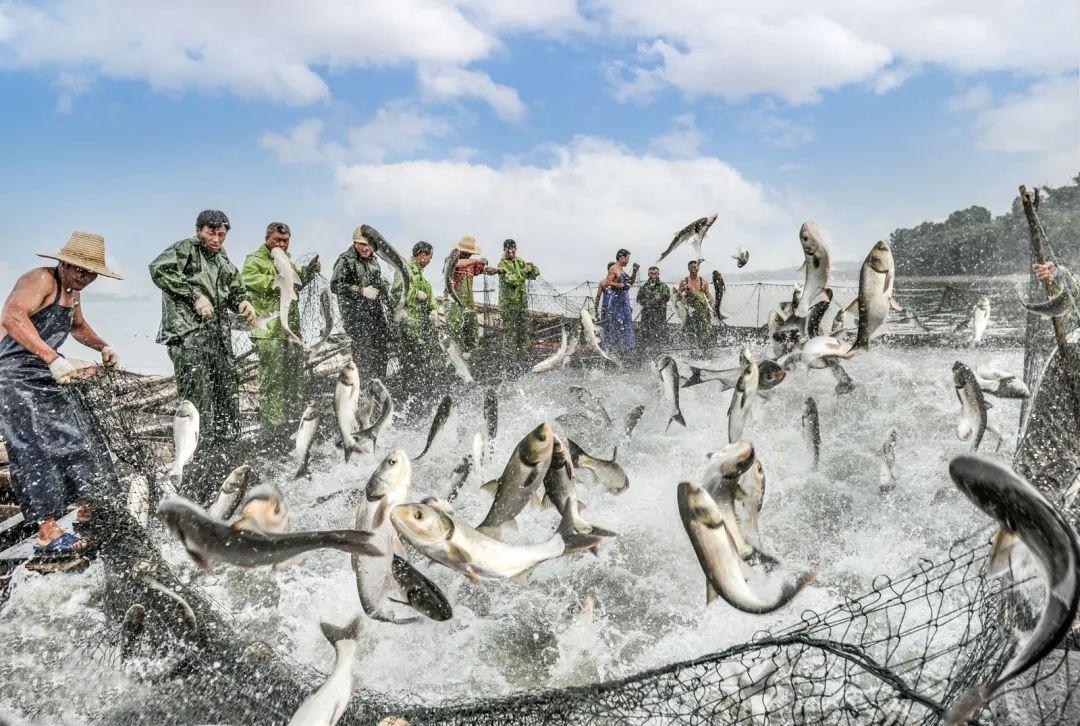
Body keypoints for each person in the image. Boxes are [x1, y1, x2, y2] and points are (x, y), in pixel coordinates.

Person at [0, 231, 122, 555]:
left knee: (79, 434)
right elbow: (12, 317)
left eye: (91, 273)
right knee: (32, 446)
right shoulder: (41, 279)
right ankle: (47, 531)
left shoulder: (73, 292)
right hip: (14, 373)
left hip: (47, 372)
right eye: (79, 269)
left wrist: (103, 346)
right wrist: (52, 357)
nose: (84, 277)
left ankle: (88, 511)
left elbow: (77, 326)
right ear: (64, 263)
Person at [149, 211, 256, 469]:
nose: (216, 239)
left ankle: (227, 458)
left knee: (227, 397)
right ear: (199, 231)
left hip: (218, 340)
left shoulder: (222, 259)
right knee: (199, 403)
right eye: (211, 233)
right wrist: (194, 296)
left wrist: (243, 302)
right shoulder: (185, 250)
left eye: (221, 234)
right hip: (188, 339)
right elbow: (158, 269)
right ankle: (199, 463)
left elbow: (234, 289)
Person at [239, 222, 321, 429]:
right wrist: (276, 280)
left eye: (285, 240)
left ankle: (292, 425)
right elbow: (248, 279)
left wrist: (309, 272)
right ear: (267, 238)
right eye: (277, 240)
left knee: (294, 379)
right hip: (268, 332)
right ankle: (272, 430)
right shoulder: (254, 259)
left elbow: (296, 283)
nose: (281, 244)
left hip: (290, 331)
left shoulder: (287, 260)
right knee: (273, 382)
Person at [331, 226, 392, 381]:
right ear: (355, 243)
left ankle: (379, 384)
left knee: (382, 348)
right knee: (364, 353)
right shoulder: (345, 260)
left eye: (369, 245)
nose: (366, 248)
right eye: (362, 244)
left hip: (374, 312)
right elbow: (335, 285)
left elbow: (378, 284)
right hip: (355, 315)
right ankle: (364, 387)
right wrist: (361, 291)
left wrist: (390, 304)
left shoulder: (374, 261)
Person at [392, 241, 439, 400]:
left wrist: (433, 308)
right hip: (407, 327)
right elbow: (398, 291)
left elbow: (429, 292)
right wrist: (415, 293)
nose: (430, 261)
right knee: (410, 368)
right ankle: (411, 401)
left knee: (421, 367)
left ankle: (420, 398)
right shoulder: (404, 270)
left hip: (418, 328)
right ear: (422, 255)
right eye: (430, 257)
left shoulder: (420, 275)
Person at [445, 236, 500, 355]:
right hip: (453, 302)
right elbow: (457, 264)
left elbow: (484, 270)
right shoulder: (451, 259)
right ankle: (452, 356)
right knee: (454, 330)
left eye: (469, 254)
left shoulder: (471, 265)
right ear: (460, 251)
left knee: (472, 332)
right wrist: (476, 260)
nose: (468, 255)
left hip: (468, 304)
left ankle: (469, 357)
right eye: (466, 253)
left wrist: (496, 270)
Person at [497, 239, 541, 361]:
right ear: (504, 250)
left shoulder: (520, 261)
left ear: (516, 249)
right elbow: (512, 280)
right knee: (511, 332)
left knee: (523, 331)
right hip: (508, 305)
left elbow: (535, 274)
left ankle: (523, 356)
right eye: (507, 250)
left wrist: (532, 267)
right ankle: (511, 358)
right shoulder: (502, 265)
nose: (510, 252)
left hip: (522, 304)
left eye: (512, 249)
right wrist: (524, 271)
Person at [599, 249, 637, 353]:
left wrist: (634, 271)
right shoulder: (613, 268)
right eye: (627, 259)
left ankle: (626, 348)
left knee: (626, 325)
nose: (628, 261)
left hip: (624, 302)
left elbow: (630, 282)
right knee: (617, 326)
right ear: (621, 258)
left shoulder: (622, 270)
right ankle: (616, 349)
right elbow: (607, 282)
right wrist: (619, 285)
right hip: (616, 302)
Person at [679, 259, 714, 351]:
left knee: (705, 332)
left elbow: (709, 296)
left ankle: (705, 350)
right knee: (690, 332)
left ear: (698, 268)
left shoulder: (703, 281)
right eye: (691, 267)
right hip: (690, 312)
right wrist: (682, 289)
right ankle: (692, 351)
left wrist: (712, 305)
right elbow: (678, 295)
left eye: (694, 267)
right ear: (688, 269)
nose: (693, 269)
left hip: (703, 312)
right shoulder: (684, 281)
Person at [637, 265, 671, 353]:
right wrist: (649, 302)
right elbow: (639, 299)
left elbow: (667, 297)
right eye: (651, 273)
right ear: (648, 274)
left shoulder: (663, 286)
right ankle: (646, 354)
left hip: (659, 316)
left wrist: (660, 297)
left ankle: (658, 353)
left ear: (658, 274)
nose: (653, 275)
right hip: (646, 317)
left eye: (655, 273)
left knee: (659, 336)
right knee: (646, 336)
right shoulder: (644, 287)